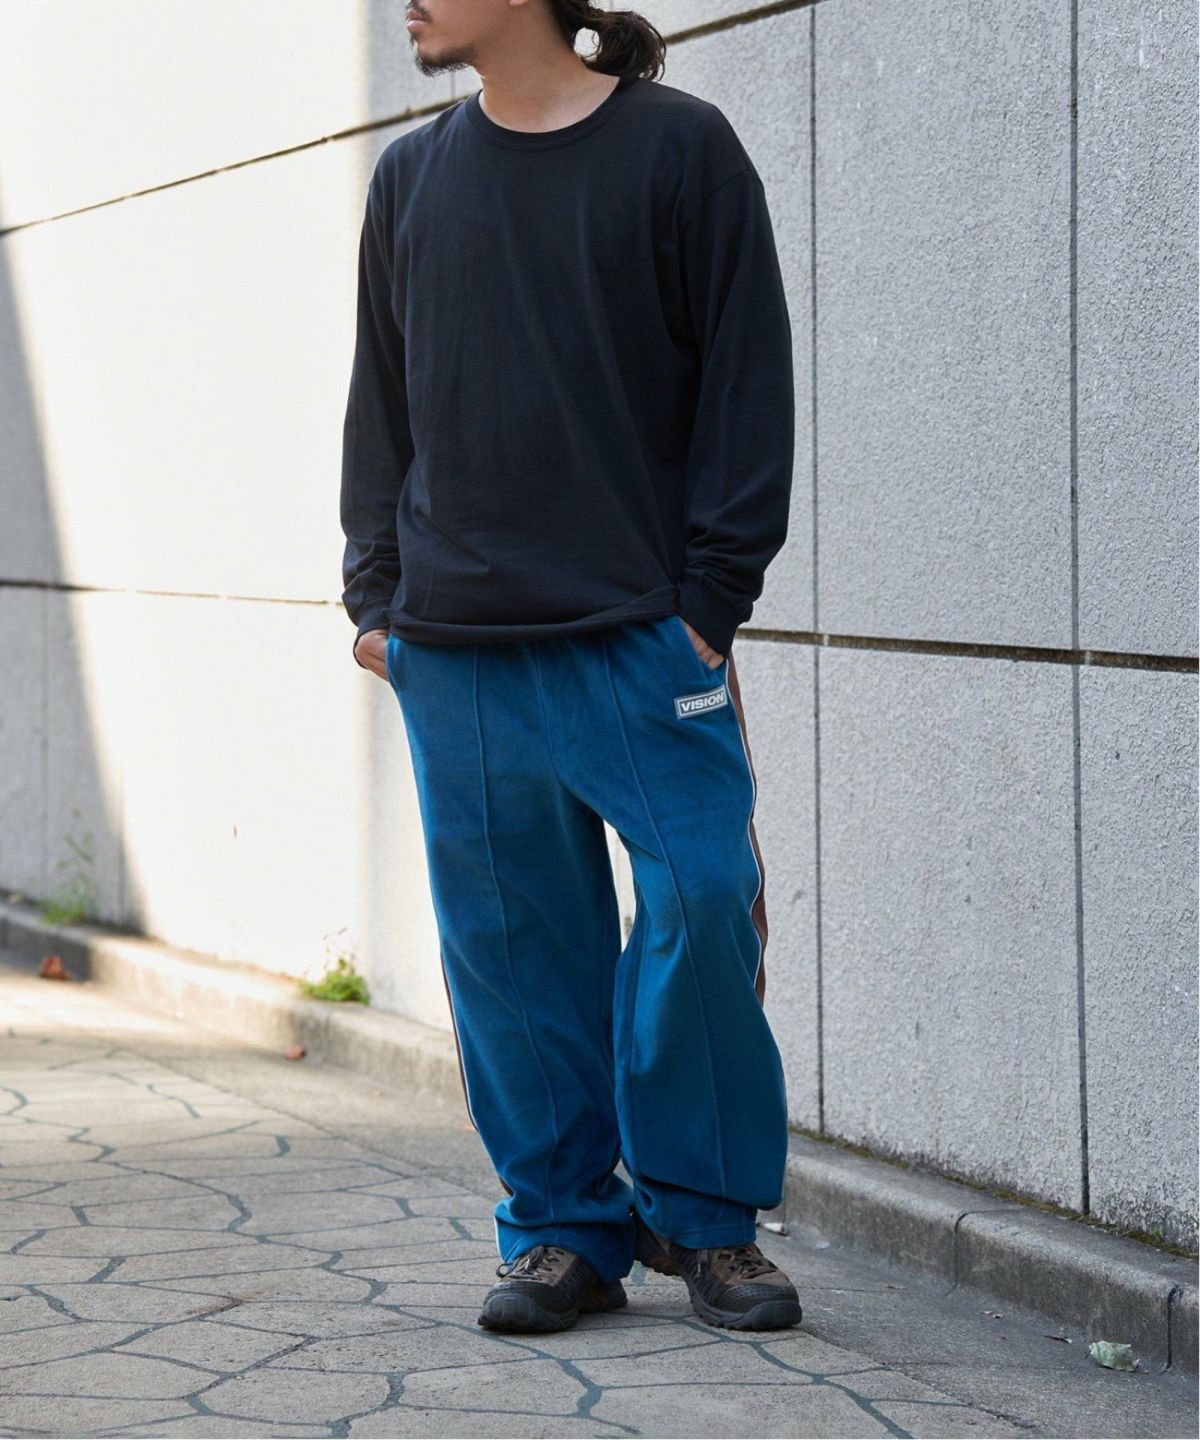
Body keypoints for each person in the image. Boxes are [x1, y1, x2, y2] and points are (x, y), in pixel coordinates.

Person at [340, 0, 800, 1335]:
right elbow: (382, 401)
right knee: (513, 950)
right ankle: (561, 1229)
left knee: (703, 897)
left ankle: (706, 1222)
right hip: (458, 649)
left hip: (643, 637)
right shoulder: (412, 178)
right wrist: (376, 599)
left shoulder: (681, 151)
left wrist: (712, 600)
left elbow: (747, 383)